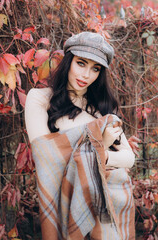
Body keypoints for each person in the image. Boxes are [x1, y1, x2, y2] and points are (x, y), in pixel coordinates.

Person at [25, 32, 137, 240]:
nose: (86, 75)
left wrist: (98, 155)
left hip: (109, 209)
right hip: (67, 205)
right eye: (81, 63)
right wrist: (100, 144)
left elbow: (129, 158)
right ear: (69, 60)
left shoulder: (100, 109)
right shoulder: (40, 99)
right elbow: (47, 159)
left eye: (95, 69)